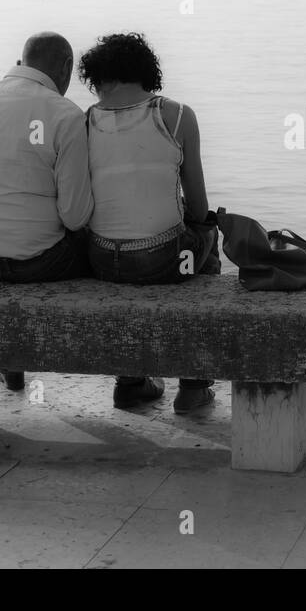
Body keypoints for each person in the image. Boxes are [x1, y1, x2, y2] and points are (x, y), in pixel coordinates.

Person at [0, 32, 165, 396]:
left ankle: (11, 363)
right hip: (37, 264)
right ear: (65, 67)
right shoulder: (64, 115)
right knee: (105, 248)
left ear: (22, 61)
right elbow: (76, 215)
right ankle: (131, 376)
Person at [77, 32, 219, 413]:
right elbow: (200, 205)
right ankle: (193, 384)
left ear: (100, 78)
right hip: (164, 258)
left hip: (103, 259)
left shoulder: (84, 121)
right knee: (206, 239)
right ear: (145, 72)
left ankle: (131, 382)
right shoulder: (176, 115)